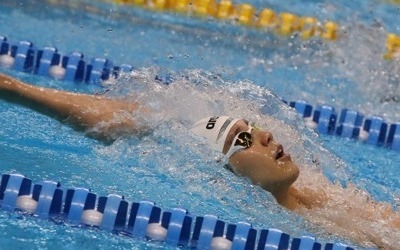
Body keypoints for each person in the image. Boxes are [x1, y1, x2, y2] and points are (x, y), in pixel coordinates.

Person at [0, 72, 399, 248]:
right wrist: (18, 91)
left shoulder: (318, 192)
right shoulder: (265, 224)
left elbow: (139, 118)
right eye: (243, 139)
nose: (265, 136)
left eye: (255, 127)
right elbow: (127, 125)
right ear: (227, 172)